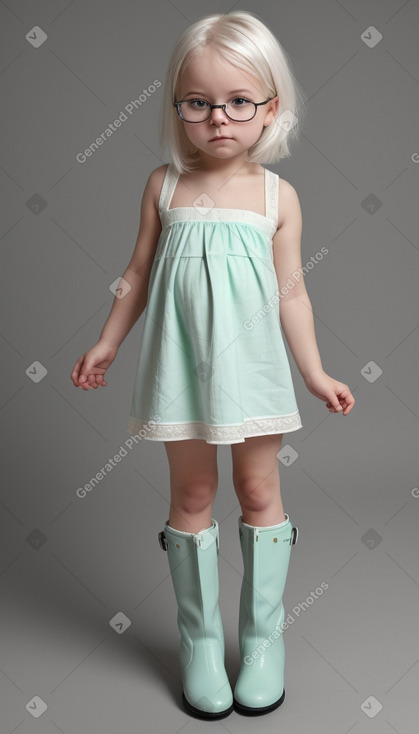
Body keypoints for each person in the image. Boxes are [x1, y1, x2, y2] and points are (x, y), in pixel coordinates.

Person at [71, 10, 355, 721]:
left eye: (238, 102)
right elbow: (135, 276)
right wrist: (107, 340)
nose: (218, 120)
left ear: (270, 109)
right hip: (181, 370)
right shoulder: (163, 186)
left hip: (253, 371)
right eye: (198, 103)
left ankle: (261, 641)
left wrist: (315, 371)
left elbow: (292, 293)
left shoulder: (275, 197)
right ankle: (200, 641)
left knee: (260, 494)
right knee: (192, 496)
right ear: (178, 107)